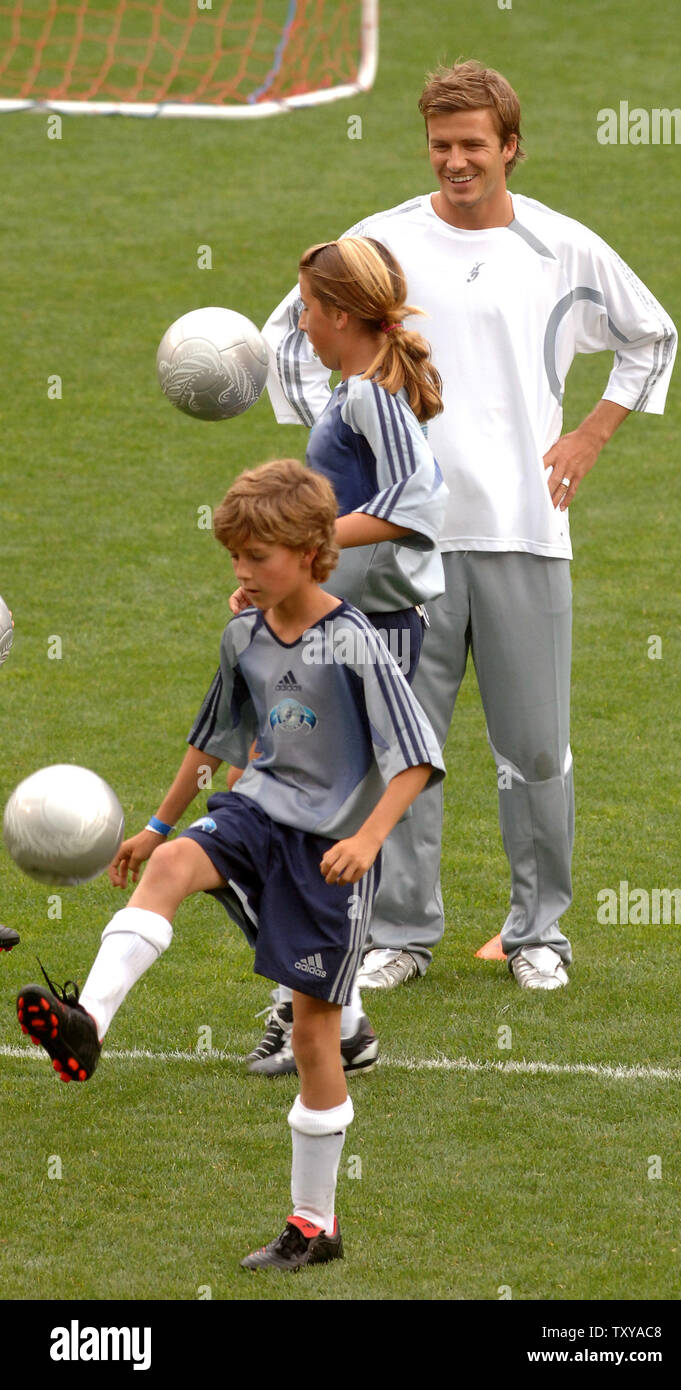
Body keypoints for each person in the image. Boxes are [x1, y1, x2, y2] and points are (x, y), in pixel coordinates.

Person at [260, 60, 678, 992]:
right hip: (402, 548)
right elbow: (286, 335)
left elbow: (654, 334)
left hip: (525, 532)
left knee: (535, 749)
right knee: (404, 742)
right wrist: (336, 459)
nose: (456, 162)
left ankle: (541, 935)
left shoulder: (562, 248)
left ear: (511, 149)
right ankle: (401, 935)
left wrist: (590, 435)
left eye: (474, 146)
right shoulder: (378, 243)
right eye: (442, 145)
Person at [16, 458, 444, 1271]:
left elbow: (416, 758)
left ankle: (314, 1225)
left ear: (314, 551)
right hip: (256, 815)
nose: (243, 573)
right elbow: (214, 740)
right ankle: (88, 1026)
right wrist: (155, 823)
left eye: (260, 557)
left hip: (331, 855)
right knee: (172, 865)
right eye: (235, 557)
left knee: (316, 1034)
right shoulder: (243, 635)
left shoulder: (356, 642)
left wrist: (370, 839)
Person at [234, 236, 448, 1071]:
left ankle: (319, 1010)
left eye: (309, 312)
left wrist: (294, 540)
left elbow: (412, 504)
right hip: (334, 624)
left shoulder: (369, 398)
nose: (303, 328)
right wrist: (278, 580)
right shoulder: (355, 390)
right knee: (291, 814)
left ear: (342, 315)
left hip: (371, 635)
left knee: (301, 820)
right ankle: (323, 1010)